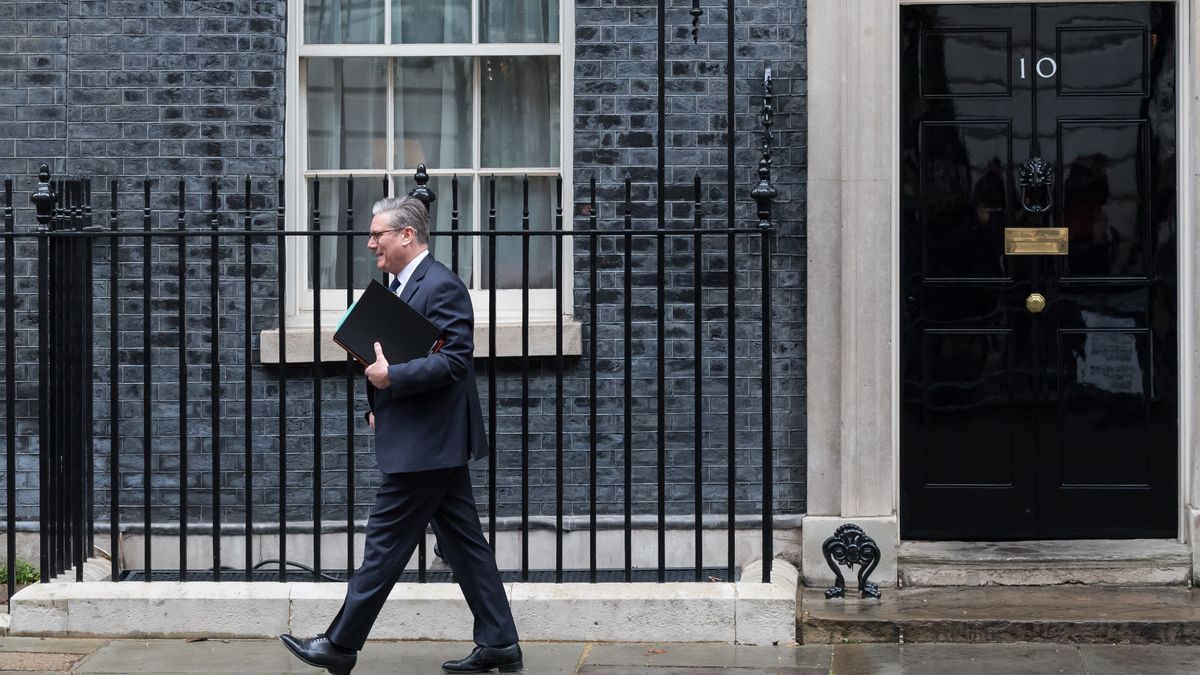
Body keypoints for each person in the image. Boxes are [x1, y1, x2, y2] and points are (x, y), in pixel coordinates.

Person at [280, 196, 522, 674]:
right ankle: (499, 642)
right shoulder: (399, 286)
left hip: (428, 444)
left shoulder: (442, 286)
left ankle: (340, 644)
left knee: (384, 543)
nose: (371, 243)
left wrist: (394, 381)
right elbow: (387, 351)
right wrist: (379, 404)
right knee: (464, 544)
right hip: (423, 436)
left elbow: (455, 361)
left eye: (378, 235)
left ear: (406, 235)